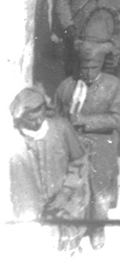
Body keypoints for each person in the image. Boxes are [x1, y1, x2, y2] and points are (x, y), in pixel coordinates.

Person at [55, 42, 120, 249]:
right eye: (84, 67)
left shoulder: (113, 86)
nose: (87, 72)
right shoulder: (67, 86)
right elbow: (57, 114)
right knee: (72, 187)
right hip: (74, 144)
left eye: (93, 67)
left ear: (101, 66)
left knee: (99, 189)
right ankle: (73, 230)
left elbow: (116, 120)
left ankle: (97, 228)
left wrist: (85, 121)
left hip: (102, 142)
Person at [9, 86, 89, 252]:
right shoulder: (15, 141)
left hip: (66, 199)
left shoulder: (61, 128)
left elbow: (79, 161)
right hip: (36, 209)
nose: (38, 122)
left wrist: (66, 193)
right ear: (21, 119)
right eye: (31, 120)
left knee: (69, 238)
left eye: (41, 116)